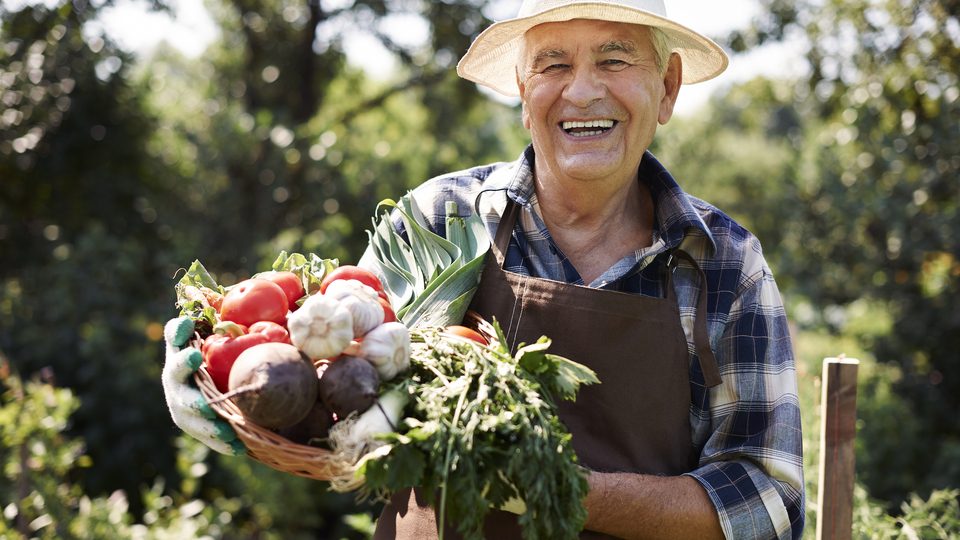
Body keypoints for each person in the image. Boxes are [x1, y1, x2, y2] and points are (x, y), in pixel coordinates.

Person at [163, 0, 805, 538]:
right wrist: (232, 398)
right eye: (553, 63)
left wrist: (554, 486)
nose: (581, 90)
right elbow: (337, 403)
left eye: (614, 59)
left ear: (665, 88)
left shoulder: (724, 263)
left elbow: (769, 501)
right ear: (524, 92)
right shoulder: (437, 219)